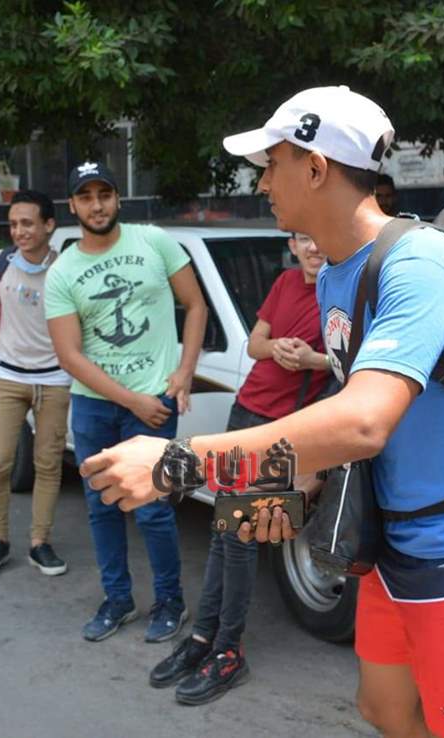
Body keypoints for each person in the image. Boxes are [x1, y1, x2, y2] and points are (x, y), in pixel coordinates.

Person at [80, 86, 444, 737]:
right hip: (392, 540)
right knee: (383, 708)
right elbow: (358, 411)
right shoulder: (334, 274)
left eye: (272, 165)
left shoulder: (420, 263)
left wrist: (176, 463)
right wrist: (298, 484)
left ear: (317, 168)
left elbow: (364, 420)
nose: (263, 183)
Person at [148, 232, 331, 705]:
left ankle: (229, 650)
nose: (313, 248)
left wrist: (312, 360)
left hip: (282, 431)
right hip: (244, 414)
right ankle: (203, 639)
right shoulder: (285, 283)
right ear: (293, 245)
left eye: (319, 238)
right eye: (304, 240)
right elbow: (254, 345)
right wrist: (277, 349)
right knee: (222, 533)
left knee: (242, 539)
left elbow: (356, 365)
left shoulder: (344, 291)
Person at [44, 160, 209, 643]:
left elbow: (196, 306)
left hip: (155, 400)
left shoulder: (155, 242)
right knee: (102, 507)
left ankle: (170, 602)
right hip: (95, 407)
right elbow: (70, 356)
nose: (96, 206)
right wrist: (132, 401)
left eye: (104, 195)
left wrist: (184, 372)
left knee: (153, 508)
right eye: (86, 197)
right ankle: (117, 600)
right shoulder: (63, 271)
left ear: (117, 199)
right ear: (73, 206)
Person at [0, 190, 72, 577]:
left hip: (54, 380)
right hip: (7, 376)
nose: (19, 231)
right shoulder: (0, 263)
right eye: (13, 224)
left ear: (49, 225)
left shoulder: (66, 268)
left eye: (27, 223)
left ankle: (40, 543)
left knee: (48, 464)